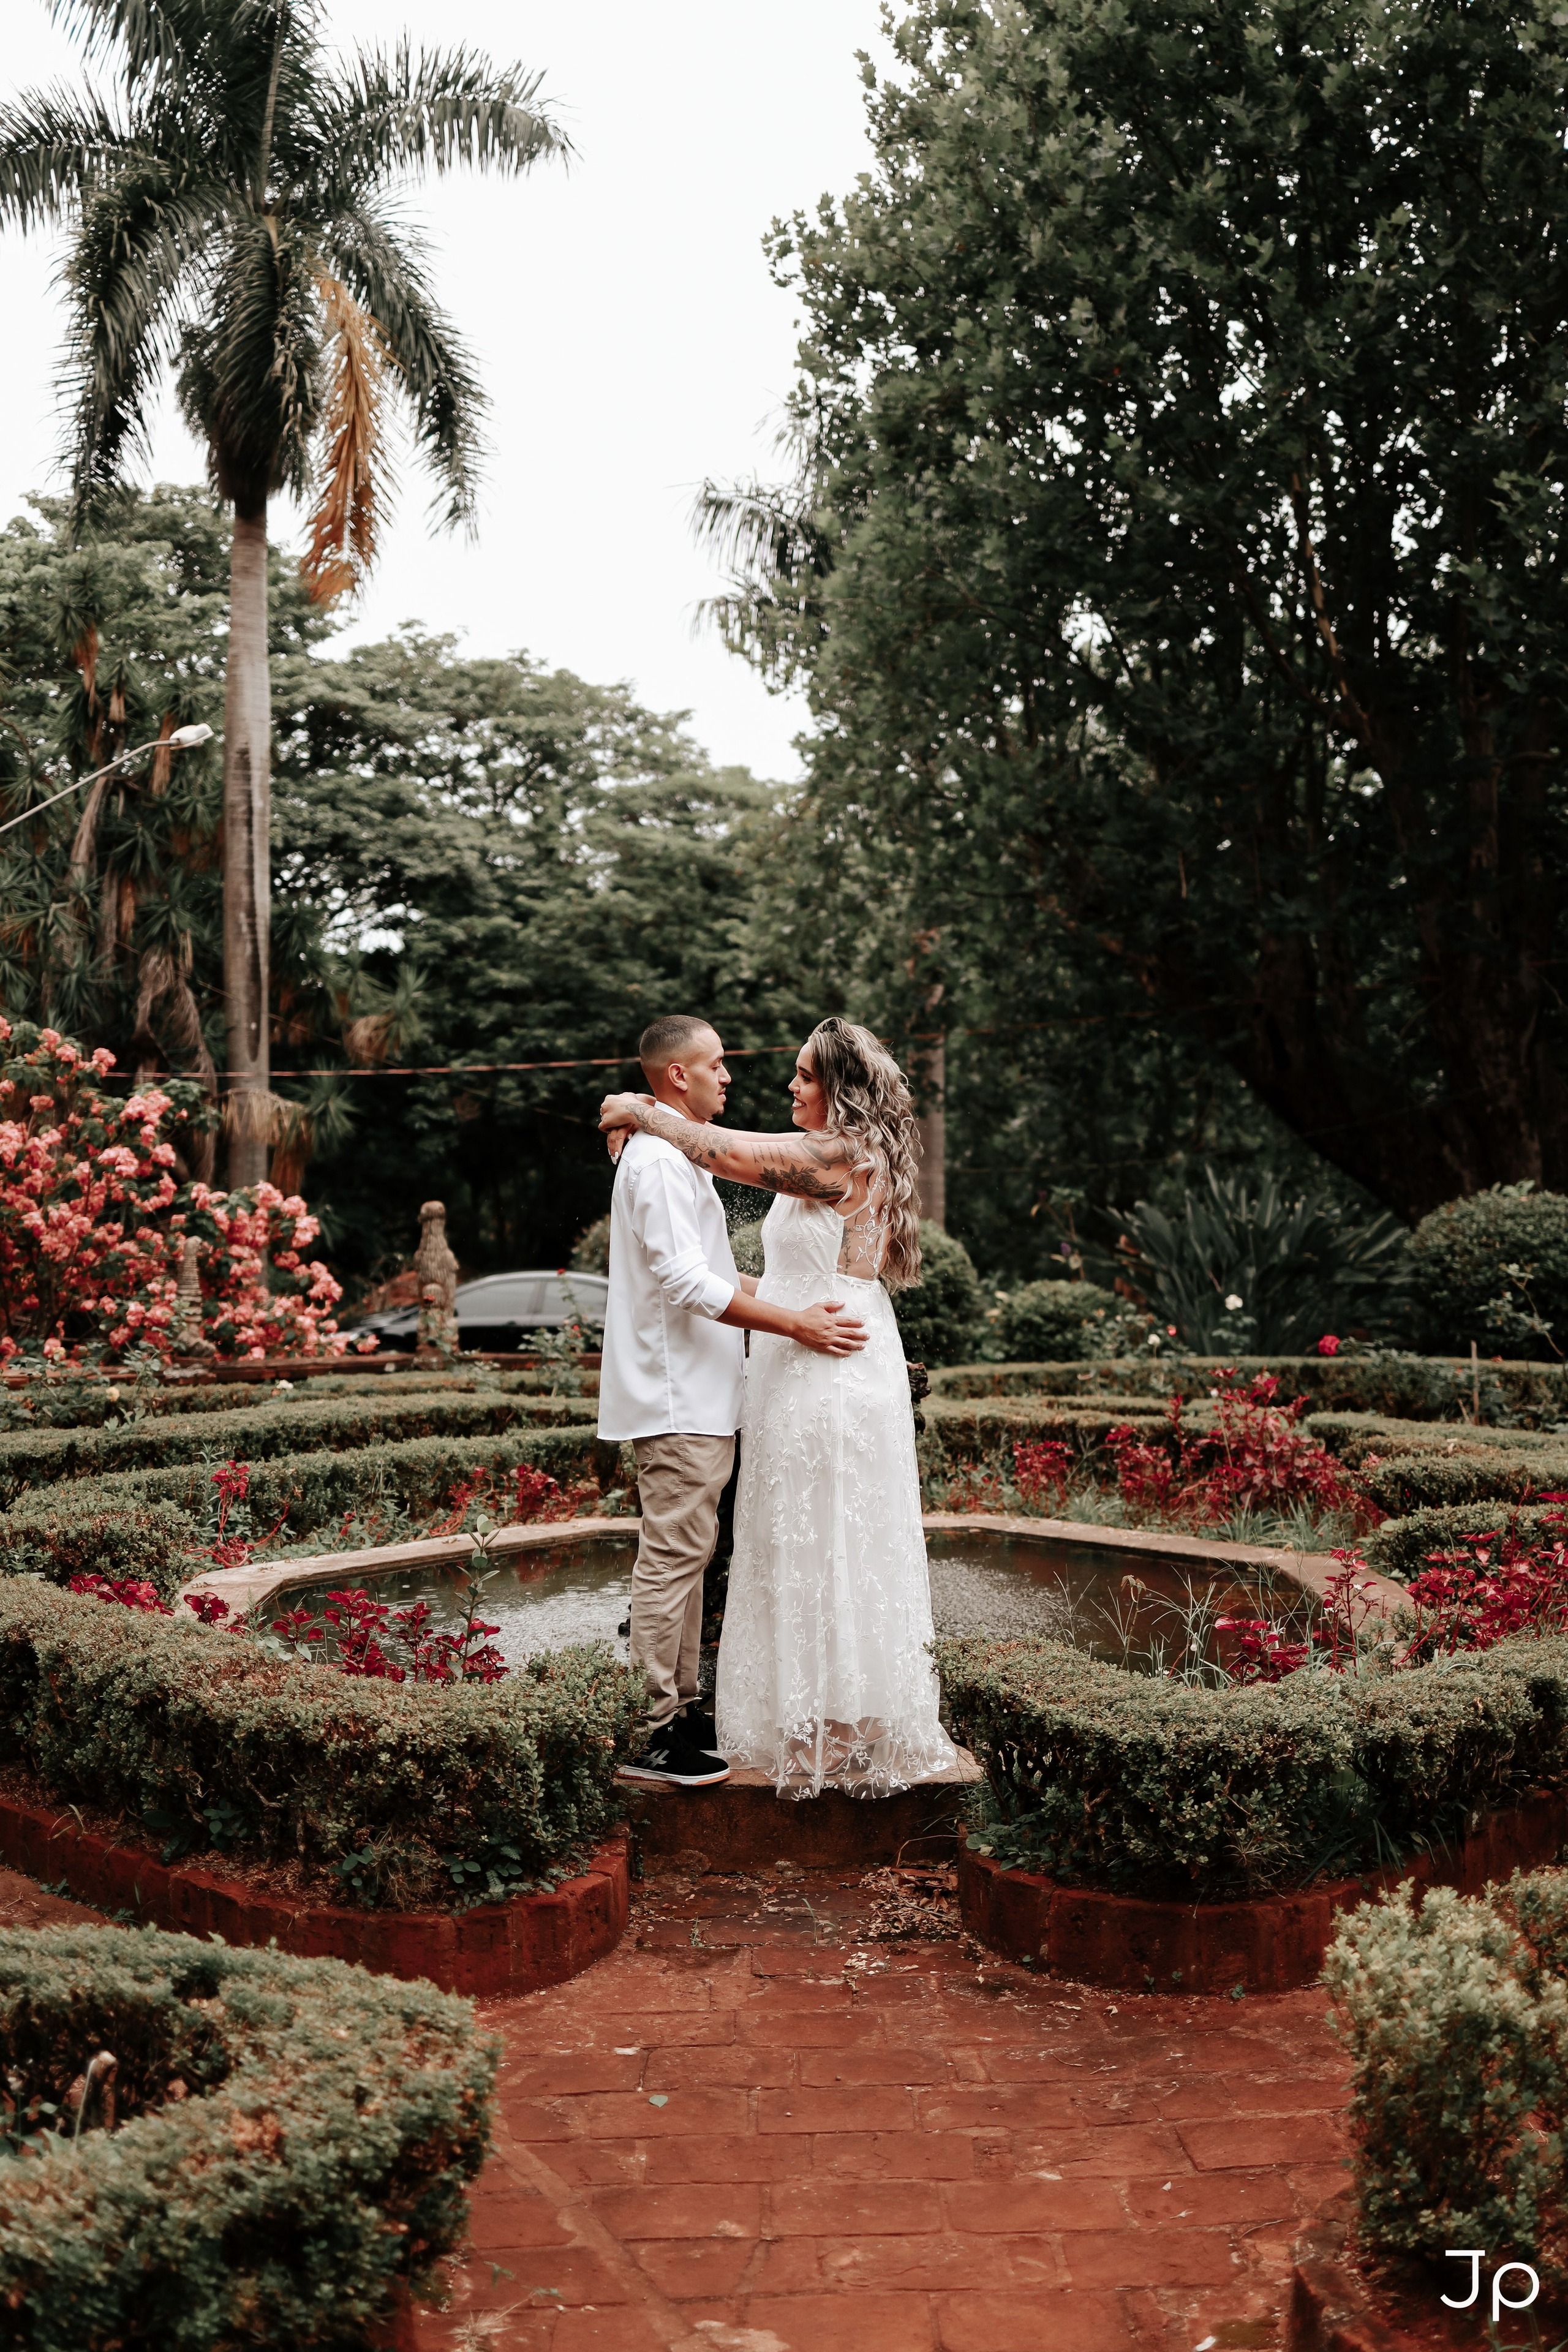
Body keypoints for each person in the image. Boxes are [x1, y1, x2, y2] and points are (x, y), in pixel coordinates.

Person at [599, 1016, 957, 1798]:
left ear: (838, 1089)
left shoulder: (836, 1155)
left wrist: (634, 1104)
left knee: (834, 1543)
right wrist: (642, 1108)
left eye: (802, 1075)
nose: (786, 1086)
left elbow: (726, 1151)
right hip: (807, 1357)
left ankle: (844, 1723)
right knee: (801, 1543)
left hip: (828, 1368)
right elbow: (778, 1278)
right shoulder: (828, 1154)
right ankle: (800, 1714)